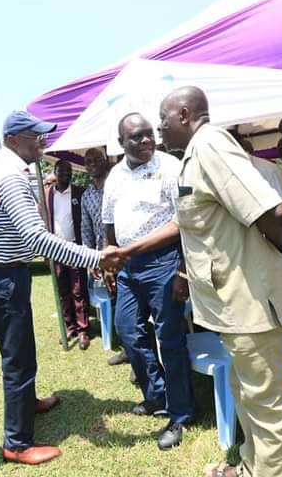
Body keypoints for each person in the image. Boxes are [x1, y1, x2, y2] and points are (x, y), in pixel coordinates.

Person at [159, 87, 282, 477]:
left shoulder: (210, 144)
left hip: (252, 303)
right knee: (246, 394)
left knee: (267, 409)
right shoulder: (194, 154)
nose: (161, 133)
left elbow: (273, 211)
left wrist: (279, 247)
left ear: (184, 114)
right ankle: (248, 467)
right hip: (234, 304)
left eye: (163, 124)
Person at [0, 110, 126, 465]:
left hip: (2, 275)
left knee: (21, 352)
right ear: (12, 141)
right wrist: (95, 257)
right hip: (1, 278)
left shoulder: (7, 168)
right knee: (18, 359)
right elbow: (36, 238)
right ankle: (18, 443)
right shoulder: (10, 175)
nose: (42, 142)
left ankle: (28, 403)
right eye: (33, 137)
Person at [102, 113, 195, 451]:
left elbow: (183, 223)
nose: (145, 141)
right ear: (121, 143)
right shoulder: (115, 175)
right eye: (136, 138)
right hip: (127, 267)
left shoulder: (170, 167)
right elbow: (108, 223)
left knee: (169, 338)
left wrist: (183, 271)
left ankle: (181, 413)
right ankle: (156, 396)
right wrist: (110, 258)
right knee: (127, 330)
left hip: (165, 262)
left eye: (148, 135)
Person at [81, 147, 129, 365]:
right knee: (116, 302)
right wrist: (90, 259)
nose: (91, 164)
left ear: (105, 161)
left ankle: (140, 355)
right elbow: (86, 229)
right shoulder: (86, 195)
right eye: (87, 161)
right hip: (103, 259)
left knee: (133, 307)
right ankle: (129, 350)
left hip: (125, 254)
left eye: (95, 160)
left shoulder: (118, 184)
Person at [45, 159, 91, 349]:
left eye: (68, 171)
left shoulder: (79, 192)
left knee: (78, 289)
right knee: (62, 290)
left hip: (75, 248)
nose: (65, 174)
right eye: (62, 171)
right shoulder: (46, 194)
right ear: (55, 173)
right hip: (56, 250)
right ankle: (69, 326)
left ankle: (82, 330)